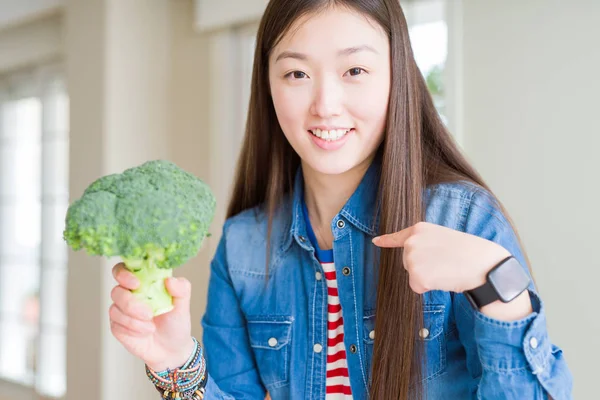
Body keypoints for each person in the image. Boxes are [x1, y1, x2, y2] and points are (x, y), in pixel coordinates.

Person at [108, 0, 573, 399]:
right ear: (267, 87)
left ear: (397, 77)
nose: (325, 104)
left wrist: (496, 284)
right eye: (296, 73)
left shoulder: (463, 217)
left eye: (354, 70)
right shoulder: (243, 244)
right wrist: (174, 359)